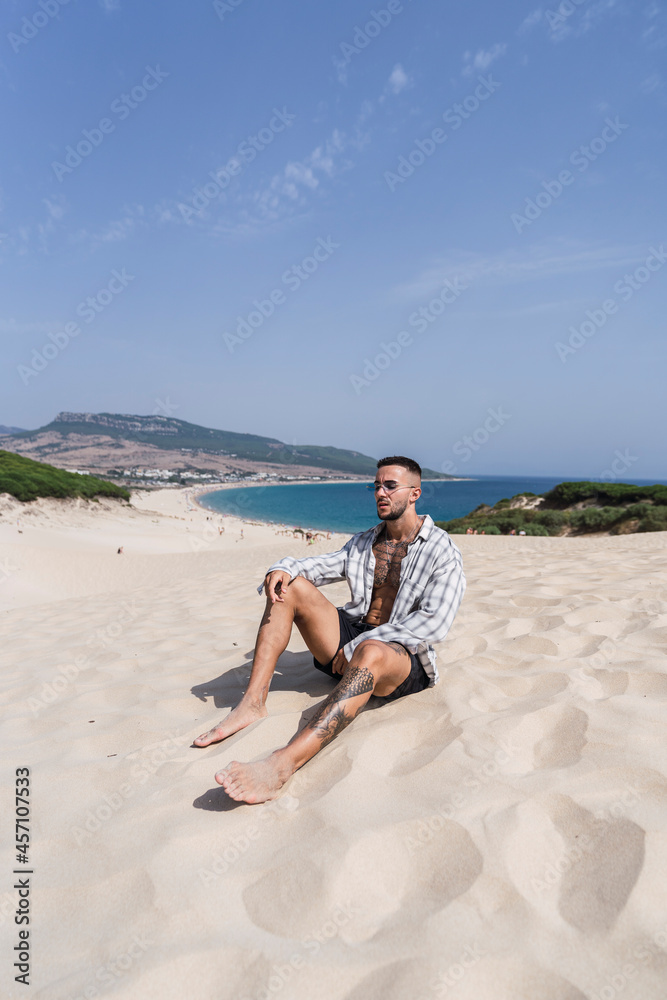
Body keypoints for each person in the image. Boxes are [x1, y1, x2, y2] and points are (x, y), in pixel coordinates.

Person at [194, 456, 466, 803]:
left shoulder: (442, 551)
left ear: (415, 493)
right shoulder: (365, 542)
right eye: (377, 485)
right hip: (350, 644)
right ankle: (252, 703)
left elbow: (435, 622)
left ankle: (283, 762)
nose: (380, 493)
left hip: (400, 659)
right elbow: (315, 566)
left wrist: (364, 642)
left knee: (371, 651)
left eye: (390, 486)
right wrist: (282, 567)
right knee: (289, 586)